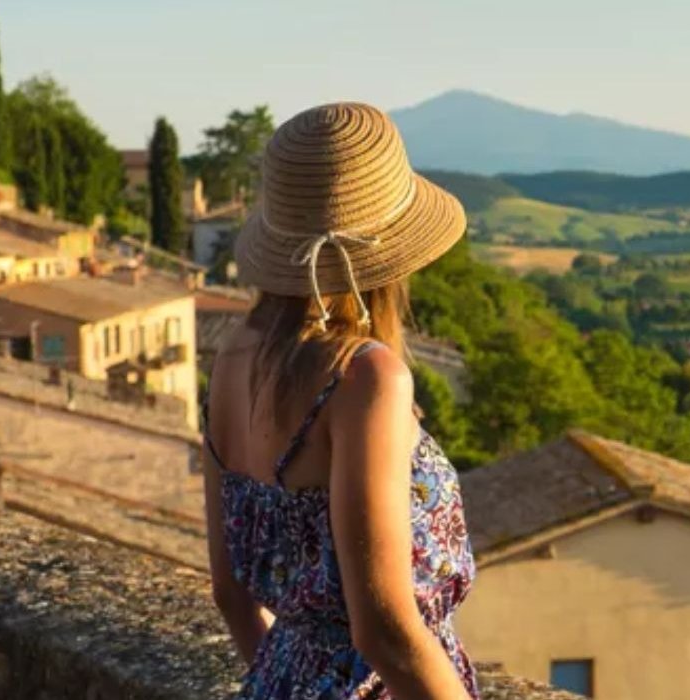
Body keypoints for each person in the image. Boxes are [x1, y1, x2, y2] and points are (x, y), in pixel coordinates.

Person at [202, 102, 477, 700]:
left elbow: (231, 593)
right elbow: (384, 632)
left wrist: (294, 680)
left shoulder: (230, 359)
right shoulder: (365, 379)